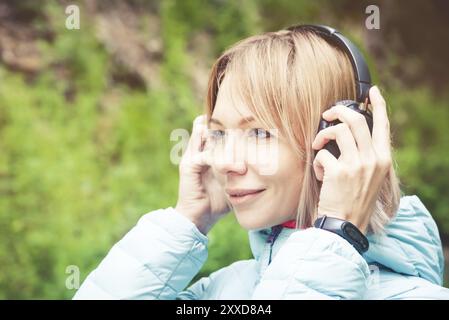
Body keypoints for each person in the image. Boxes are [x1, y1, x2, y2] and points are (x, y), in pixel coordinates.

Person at [73, 25, 449, 299]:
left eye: (260, 134)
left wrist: (336, 233)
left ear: (339, 142)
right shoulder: (224, 291)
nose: (225, 163)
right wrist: (188, 218)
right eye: (219, 133)